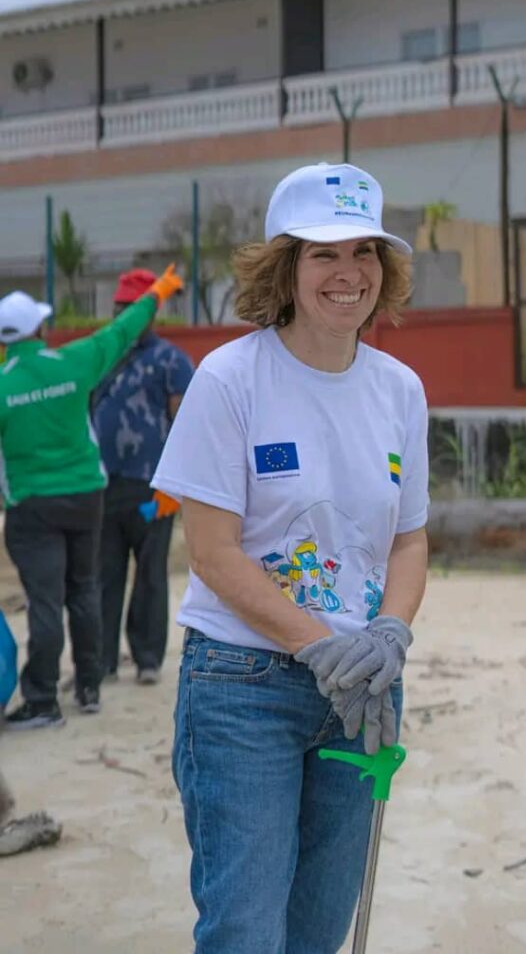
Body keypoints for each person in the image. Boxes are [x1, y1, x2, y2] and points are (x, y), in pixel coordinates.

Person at [152, 162, 429, 953]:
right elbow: (212, 554)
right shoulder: (230, 379)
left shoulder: (400, 389)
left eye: (365, 252)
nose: (349, 273)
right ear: (286, 266)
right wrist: (319, 646)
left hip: (361, 691)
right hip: (244, 689)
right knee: (246, 931)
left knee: (318, 929)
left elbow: (409, 538)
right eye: (323, 254)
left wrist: (390, 633)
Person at [0, 266, 183, 730]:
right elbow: (120, 332)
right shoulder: (75, 361)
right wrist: (156, 293)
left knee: (50, 599)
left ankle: (46, 698)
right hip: (90, 495)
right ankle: (90, 683)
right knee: (88, 586)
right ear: (38, 328)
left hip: (41, 502)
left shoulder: (5, 385)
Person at [92, 269, 194, 685]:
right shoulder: (101, 356)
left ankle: (148, 657)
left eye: (130, 308)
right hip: (104, 485)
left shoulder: (171, 360)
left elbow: (187, 424)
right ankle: (101, 661)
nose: (121, 315)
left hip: (154, 488)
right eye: (118, 308)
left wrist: (179, 486)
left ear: (150, 313)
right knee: (104, 573)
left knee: (151, 572)